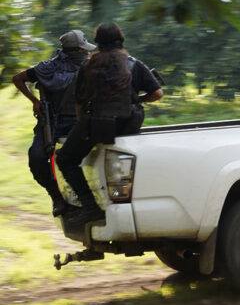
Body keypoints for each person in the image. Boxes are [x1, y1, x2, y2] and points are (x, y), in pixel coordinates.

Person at [56, 23, 163, 225]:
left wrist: (83, 128)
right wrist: (137, 100)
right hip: (128, 126)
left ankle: (91, 207)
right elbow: (157, 93)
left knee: (65, 160)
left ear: (97, 42)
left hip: (98, 126)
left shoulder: (88, 66)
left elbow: (80, 103)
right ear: (121, 40)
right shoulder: (134, 65)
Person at [12, 30, 96, 217]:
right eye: (83, 50)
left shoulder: (90, 67)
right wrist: (35, 101)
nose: (86, 53)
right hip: (51, 120)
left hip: (79, 121)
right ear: (75, 51)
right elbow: (18, 79)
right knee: (36, 158)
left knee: (80, 160)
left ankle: (87, 201)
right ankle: (56, 197)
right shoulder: (49, 67)